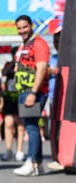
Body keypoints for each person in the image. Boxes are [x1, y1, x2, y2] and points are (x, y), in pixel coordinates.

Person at [13, 15, 49, 176]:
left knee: (31, 127)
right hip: (23, 91)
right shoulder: (23, 45)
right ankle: (38, 164)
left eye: (25, 27)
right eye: (19, 28)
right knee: (31, 126)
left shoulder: (39, 43)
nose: (22, 31)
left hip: (33, 91)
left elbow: (41, 69)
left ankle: (31, 162)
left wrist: (33, 93)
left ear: (31, 25)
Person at [0, 46, 26, 161]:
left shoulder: (25, 64)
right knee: (8, 123)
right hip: (10, 97)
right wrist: (13, 63)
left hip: (21, 95)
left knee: (20, 125)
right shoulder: (8, 64)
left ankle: (19, 151)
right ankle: (8, 150)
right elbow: (3, 73)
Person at [47, 27, 65, 171]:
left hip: (66, 98)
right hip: (53, 98)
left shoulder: (68, 56)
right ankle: (56, 157)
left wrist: (52, 70)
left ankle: (64, 157)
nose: (56, 43)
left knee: (63, 130)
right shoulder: (52, 57)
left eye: (58, 40)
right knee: (53, 129)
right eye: (54, 40)